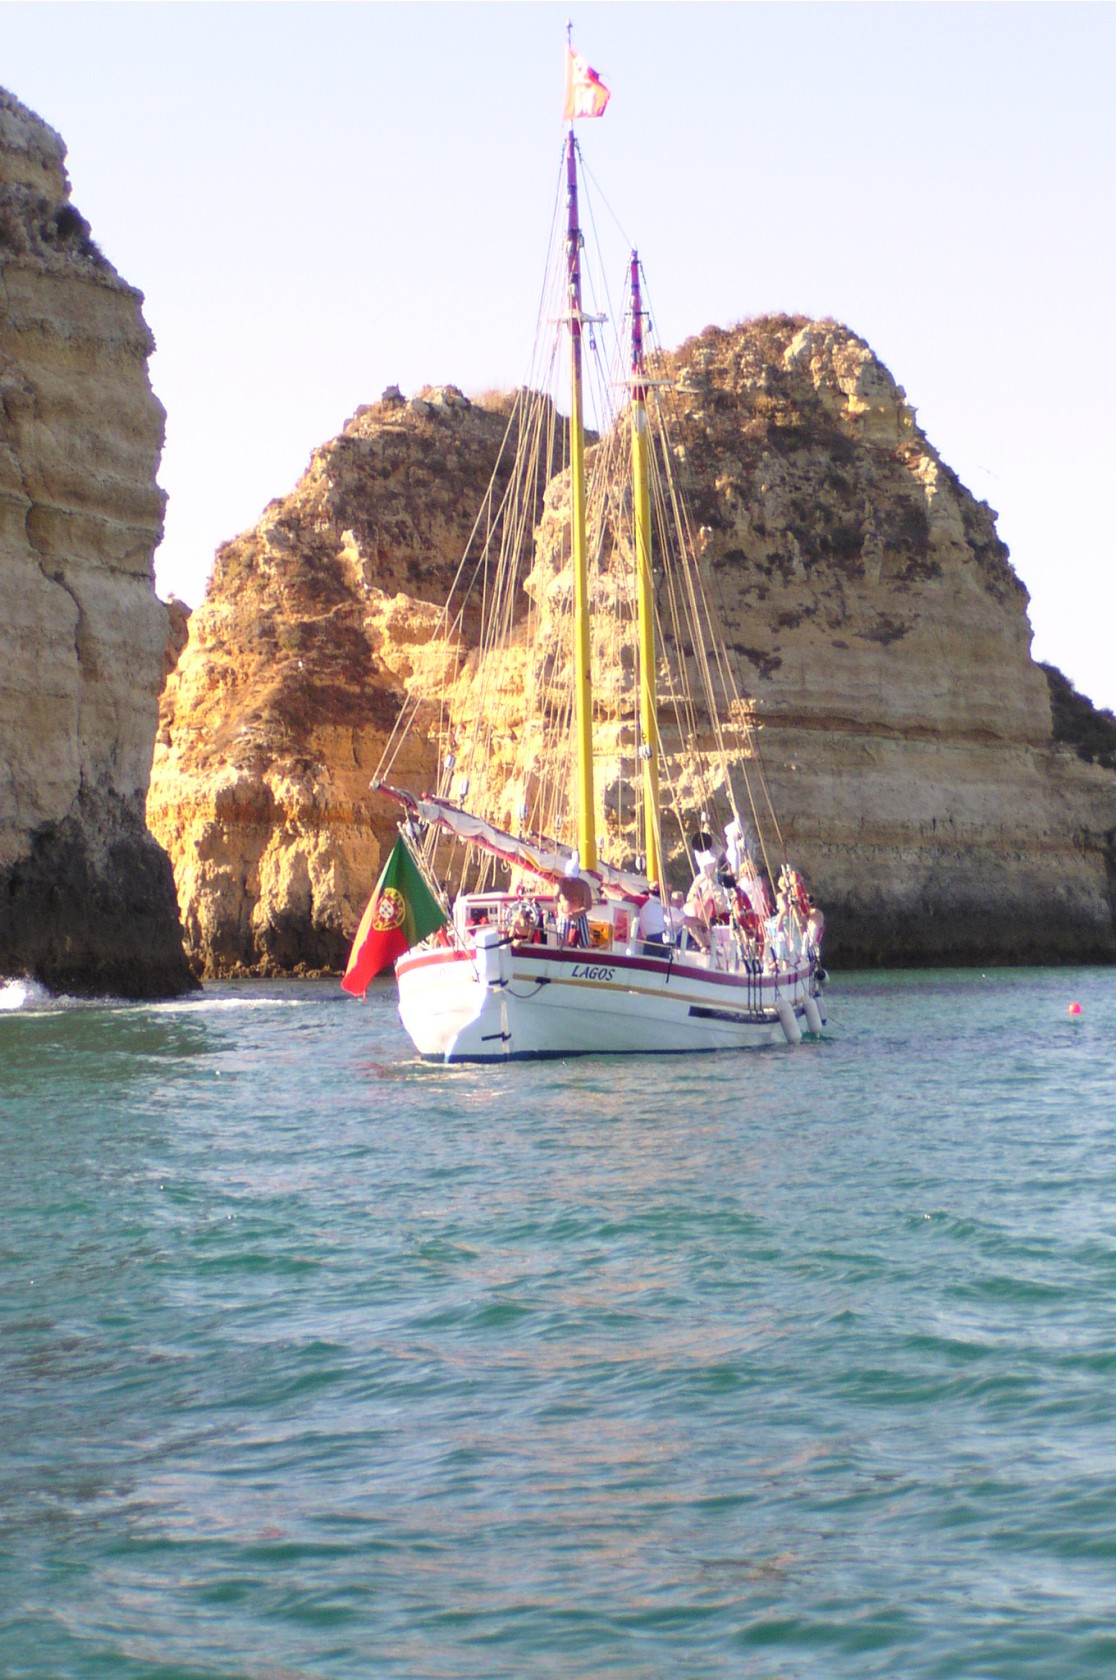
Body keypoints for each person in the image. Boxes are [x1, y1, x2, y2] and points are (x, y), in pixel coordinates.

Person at [683, 860, 729, 952]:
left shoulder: (718, 878)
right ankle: (703, 945)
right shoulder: (699, 879)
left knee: (703, 923)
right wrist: (695, 897)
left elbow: (721, 899)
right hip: (697, 908)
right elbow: (691, 896)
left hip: (710, 908)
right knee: (693, 925)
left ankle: (708, 945)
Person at [556, 856, 594, 947]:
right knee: (562, 943)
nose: (570, 879)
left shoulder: (584, 885)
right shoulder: (560, 883)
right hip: (564, 916)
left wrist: (576, 913)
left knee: (585, 945)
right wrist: (560, 910)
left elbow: (588, 905)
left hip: (580, 917)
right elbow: (555, 898)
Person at [636, 883, 668, 954]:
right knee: (661, 961)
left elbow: (625, 898)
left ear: (649, 891)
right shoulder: (662, 904)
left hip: (653, 938)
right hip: (664, 936)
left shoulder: (644, 899)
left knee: (647, 960)